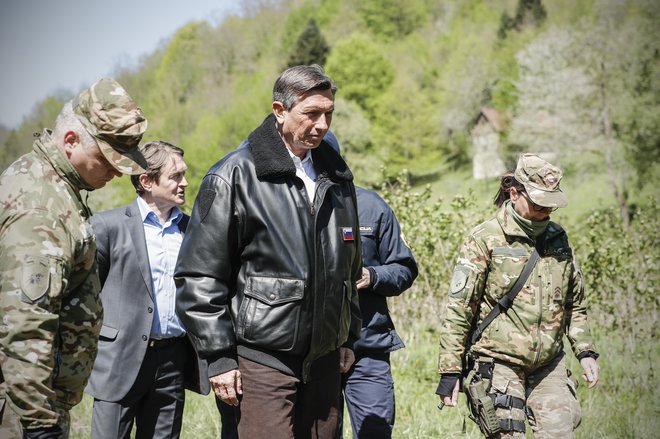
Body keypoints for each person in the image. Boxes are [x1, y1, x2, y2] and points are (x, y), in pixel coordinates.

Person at [174, 64, 362, 439]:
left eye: (328, 114)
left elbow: (349, 267)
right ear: (280, 111)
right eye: (311, 114)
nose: (323, 125)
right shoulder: (233, 176)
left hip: (325, 363)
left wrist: (347, 338)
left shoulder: (337, 177)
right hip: (260, 363)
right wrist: (220, 357)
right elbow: (199, 276)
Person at [0, 78, 148, 439]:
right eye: (107, 160)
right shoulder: (41, 208)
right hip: (21, 411)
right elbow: (25, 325)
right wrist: (39, 425)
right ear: (71, 142)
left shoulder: (55, 187)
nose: (116, 173)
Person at [436, 153, 600, 438]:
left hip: (549, 363)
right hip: (498, 364)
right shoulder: (484, 238)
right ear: (514, 193)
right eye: (539, 204)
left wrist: (584, 350)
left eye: (552, 205)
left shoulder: (558, 237)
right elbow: (459, 309)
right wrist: (450, 370)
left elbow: (573, 302)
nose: (546, 212)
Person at [85, 141, 210, 438]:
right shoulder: (106, 227)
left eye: (184, 174)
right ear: (146, 181)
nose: (185, 183)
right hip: (118, 361)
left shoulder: (192, 229)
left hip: (172, 361)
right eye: (175, 176)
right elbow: (87, 297)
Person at [341, 185, 418, 439]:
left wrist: (373, 275)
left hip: (368, 346)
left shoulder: (372, 206)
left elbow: (404, 268)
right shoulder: (292, 202)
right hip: (315, 352)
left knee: (376, 432)